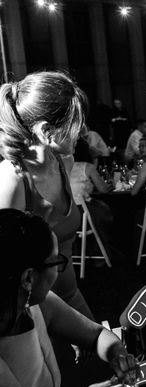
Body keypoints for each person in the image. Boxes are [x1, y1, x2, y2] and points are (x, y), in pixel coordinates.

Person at [0, 209, 138, 387]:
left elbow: (97, 334)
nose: (60, 271)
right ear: (29, 278)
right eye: (55, 262)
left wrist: (116, 354)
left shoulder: (39, 305)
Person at [0, 71, 94, 320]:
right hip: (31, 315)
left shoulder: (65, 162)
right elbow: (7, 277)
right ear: (46, 131)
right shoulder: (12, 180)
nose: (83, 131)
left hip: (72, 298)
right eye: (76, 123)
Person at [69, 138, 115, 258]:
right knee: (104, 213)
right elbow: (103, 189)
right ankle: (102, 254)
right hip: (82, 215)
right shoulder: (87, 167)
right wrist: (113, 185)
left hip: (66, 214)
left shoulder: (62, 166)